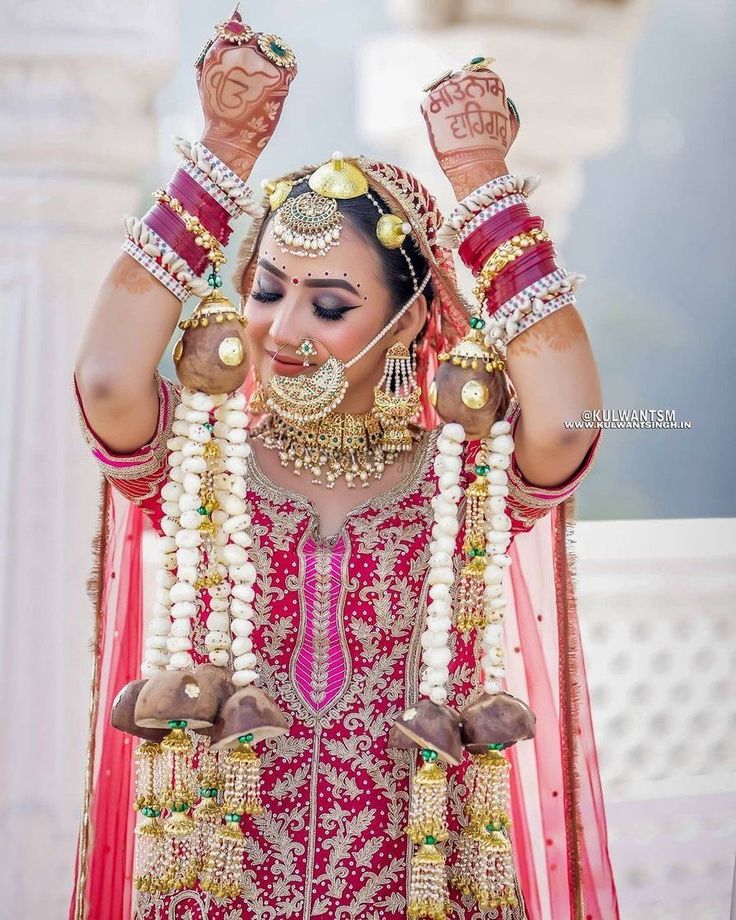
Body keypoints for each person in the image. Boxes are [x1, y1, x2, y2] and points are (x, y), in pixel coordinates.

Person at [70, 11, 619, 920]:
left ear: (406, 325)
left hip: (419, 891)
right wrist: (221, 156)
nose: (281, 332)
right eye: (268, 289)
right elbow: (105, 377)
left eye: (328, 306)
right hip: (217, 888)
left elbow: (567, 420)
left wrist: (486, 192)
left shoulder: (460, 485)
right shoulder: (203, 466)